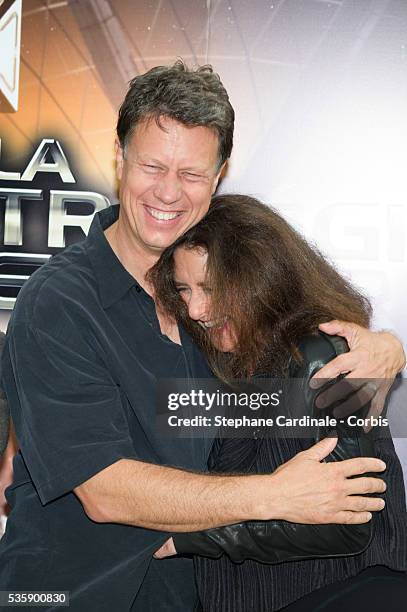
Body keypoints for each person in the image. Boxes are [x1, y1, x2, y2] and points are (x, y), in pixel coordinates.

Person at [0, 61, 404, 611]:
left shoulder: (217, 304)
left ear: (218, 177)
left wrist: (385, 348)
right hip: (72, 594)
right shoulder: (58, 303)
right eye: (152, 166)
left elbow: (309, 341)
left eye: (191, 174)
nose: (169, 192)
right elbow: (103, 490)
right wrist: (274, 495)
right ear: (119, 158)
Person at [150, 194, 407, 611]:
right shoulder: (221, 357)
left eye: (211, 289)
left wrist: (182, 536)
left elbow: (350, 521)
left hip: (335, 593)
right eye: (184, 289)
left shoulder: (319, 357)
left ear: (262, 279)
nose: (195, 309)